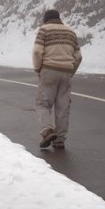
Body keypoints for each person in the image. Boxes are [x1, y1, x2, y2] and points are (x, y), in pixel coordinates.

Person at [32, 9, 82, 149]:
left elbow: (37, 51)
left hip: (49, 70)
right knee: (63, 107)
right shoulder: (70, 32)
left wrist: (38, 69)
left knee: (42, 104)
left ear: (46, 20)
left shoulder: (44, 30)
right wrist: (71, 71)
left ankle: (47, 131)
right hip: (66, 72)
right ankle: (59, 140)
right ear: (58, 18)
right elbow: (78, 57)